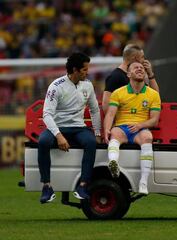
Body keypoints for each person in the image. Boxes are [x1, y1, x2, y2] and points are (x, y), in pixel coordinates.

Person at [38, 52, 101, 204]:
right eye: (85, 69)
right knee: (43, 142)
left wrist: (98, 133)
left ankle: (83, 186)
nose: (87, 72)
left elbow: (94, 109)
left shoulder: (88, 85)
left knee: (91, 142)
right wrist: (59, 136)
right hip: (58, 128)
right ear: (75, 70)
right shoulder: (56, 86)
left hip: (78, 128)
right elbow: (46, 114)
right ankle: (47, 186)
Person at [103, 61, 161, 195]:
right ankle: (113, 163)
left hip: (140, 129)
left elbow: (154, 120)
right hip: (122, 128)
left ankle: (143, 182)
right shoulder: (118, 93)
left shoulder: (153, 94)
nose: (140, 69)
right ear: (128, 74)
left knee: (148, 137)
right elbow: (110, 113)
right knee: (114, 132)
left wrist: (140, 125)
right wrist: (106, 129)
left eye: (142, 68)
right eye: (136, 68)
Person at [102, 43, 160, 113]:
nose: (144, 60)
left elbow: (156, 96)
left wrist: (150, 74)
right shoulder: (115, 77)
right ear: (135, 58)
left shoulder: (137, 76)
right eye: (142, 57)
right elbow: (106, 106)